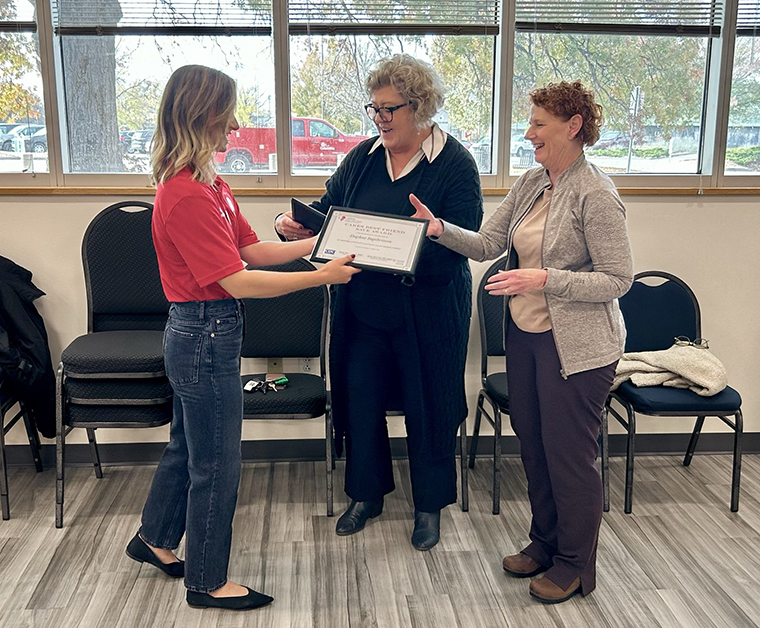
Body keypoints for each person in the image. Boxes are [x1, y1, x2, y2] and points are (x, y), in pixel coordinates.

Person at [125, 65, 359, 611]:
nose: (234, 124)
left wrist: (319, 244)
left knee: (188, 446)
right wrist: (321, 277)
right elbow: (237, 281)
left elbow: (252, 252)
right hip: (202, 334)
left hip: (208, 332)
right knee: (217, 463)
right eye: (226, 112)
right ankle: (207, 581)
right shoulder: (185, 194)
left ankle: (155, 540)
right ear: (203, 114)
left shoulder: (213, 183)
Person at [412, 80, 633, 602]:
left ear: (573, 126)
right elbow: (490, 242)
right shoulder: (534, 181)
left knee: (569, 456)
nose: (528, 133)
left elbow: (618, 279)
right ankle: (545, 543)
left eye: (538, 123)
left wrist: (544, 278)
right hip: (528, 337)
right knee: (534, 449)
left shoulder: (596, 193)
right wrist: (440, 228)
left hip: (577, 348)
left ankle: (576, 564)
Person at [276, 54, 483, 550]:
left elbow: (467, 236)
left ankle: (429, 505)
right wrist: (296, 228)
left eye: (391, 109)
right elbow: (329, 211)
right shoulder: (362, 157)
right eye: (375, 108)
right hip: (364, 308)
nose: (381, 118)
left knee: (428, 404)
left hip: (428, 311)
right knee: (360, 399)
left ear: (422, 107)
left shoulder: (455, 163)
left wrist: (429, 236)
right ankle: (365, 495)